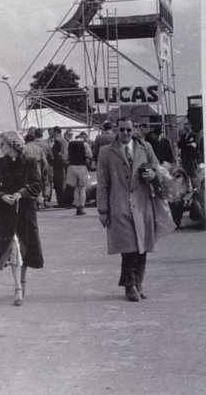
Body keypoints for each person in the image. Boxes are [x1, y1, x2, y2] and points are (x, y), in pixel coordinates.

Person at [97, 117, 167, 302]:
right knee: (128, 248)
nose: (125, 133)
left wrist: (153, 174)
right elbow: (102, 183)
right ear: (116, 130)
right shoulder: (106, 152)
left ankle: (138, 283)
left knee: (143, 247)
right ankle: (130, 286)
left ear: (134, 129)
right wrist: (103, 210)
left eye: (128, 129)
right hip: (120, 205)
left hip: (143, 203)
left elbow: (158, 167)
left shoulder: (146, 147)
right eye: (122, 129)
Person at [0, 131, 44, 306]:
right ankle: (18, 288)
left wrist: (22, 193)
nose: (0, 147)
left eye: (3, 144)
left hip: (25, 211)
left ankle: (23, 280)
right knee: (13, 248)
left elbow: (37, 184)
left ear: (12, 145)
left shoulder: (30, 161)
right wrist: (2, 196)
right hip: (6, 212)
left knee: (24, 247)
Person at [23, 132, 50, 209]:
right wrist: (45, 171)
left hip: (26, 167)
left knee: (28, 184)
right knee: (38, 184)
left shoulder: (23, 148)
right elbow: (45, 162)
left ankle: (31, 202)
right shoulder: (39, 148)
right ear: (33, 139)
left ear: (26, 140)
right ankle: (39, 202)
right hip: (38, 166)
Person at [66, 136, 90, 215]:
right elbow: (90, 155)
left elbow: (66, 155)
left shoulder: (69, 144)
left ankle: (77, 207)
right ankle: (82, 208)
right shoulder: (85, 144)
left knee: (75, 188)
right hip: (82, 166)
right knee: (82, 189)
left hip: (72, 167)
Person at [50, 126, 69, 207]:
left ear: (56, 132)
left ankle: (62, 202)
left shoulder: (57, 140)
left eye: (52, 131)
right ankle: (64, 201)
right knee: (62, 182)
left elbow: (56, 153)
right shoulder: (64, 140)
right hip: (64, 163)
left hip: (59, 165)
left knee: (59, 183)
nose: (51, 133)